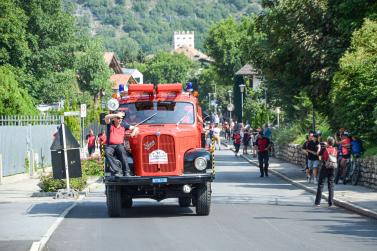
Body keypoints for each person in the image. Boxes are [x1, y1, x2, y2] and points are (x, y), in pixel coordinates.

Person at [104, 111, 139, 176]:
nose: (120, 119)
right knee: (107, 152)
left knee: (122, 152)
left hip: (119, 145)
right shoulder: (110, 124)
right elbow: (106, 117)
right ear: (114, 118)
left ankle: (127, 172)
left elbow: (136, 128)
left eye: (121, 118)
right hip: (110, 145)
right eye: (118, 118)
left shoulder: (124, 124)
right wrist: (117, 114)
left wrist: (133, 133)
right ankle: (118, 170)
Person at [315, 136, 337, 207]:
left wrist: (319, 148)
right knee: (331, 185)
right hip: (332, 167)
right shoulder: (334, 149)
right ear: (333, 143)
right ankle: (330, 202)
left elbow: (318, 154)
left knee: (321, 184)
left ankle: (317, 202)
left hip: (325, 167)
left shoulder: (324, 149)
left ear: (327, 142)